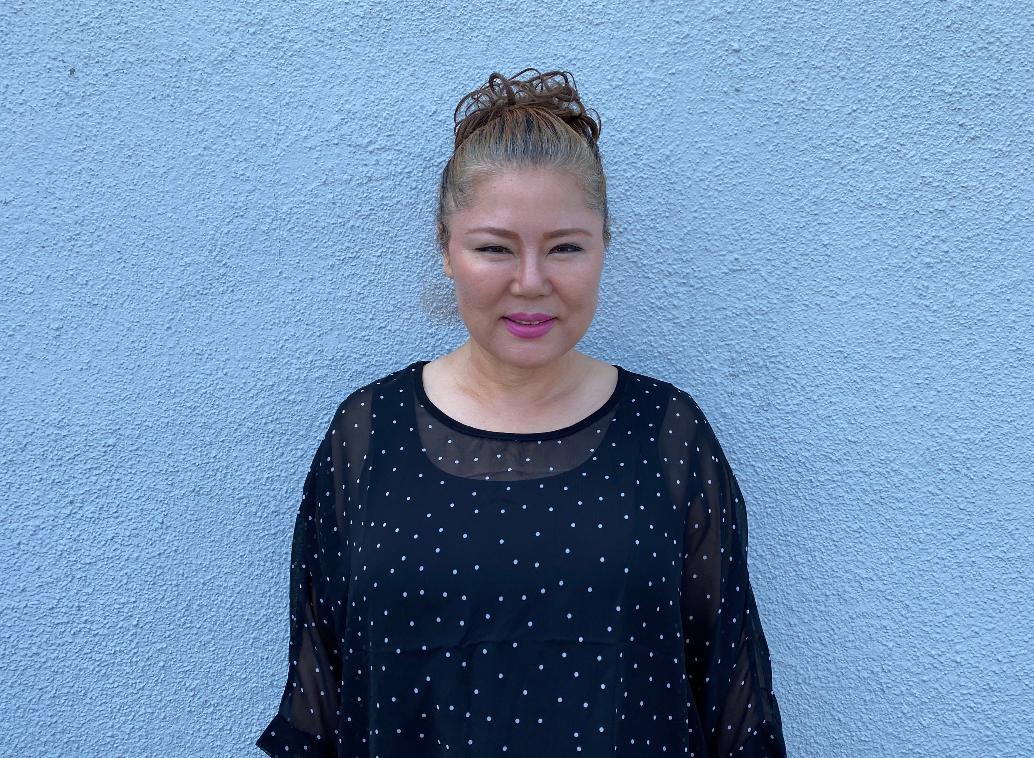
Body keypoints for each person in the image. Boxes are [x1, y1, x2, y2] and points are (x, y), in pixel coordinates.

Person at [256, 67, 787, 757]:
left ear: (604, 247)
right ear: (447, 249)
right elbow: (318, 695)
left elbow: (733, 701)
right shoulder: (366, 436)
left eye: (565, 246)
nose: (531, 282)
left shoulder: (667, 436)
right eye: (494, 248)